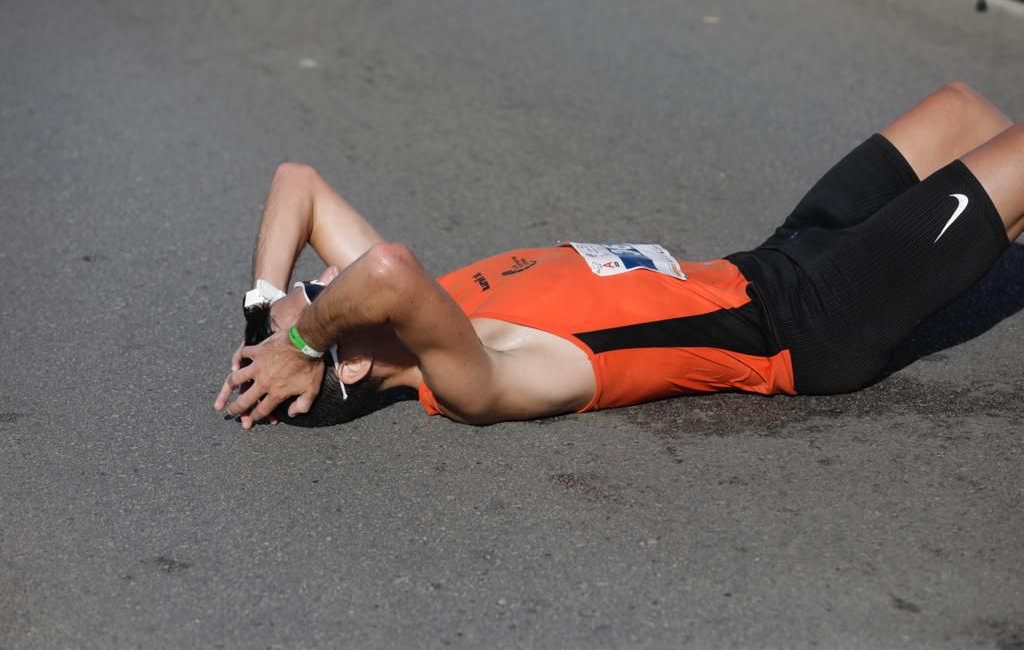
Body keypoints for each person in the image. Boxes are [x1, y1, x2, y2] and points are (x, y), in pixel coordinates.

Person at [214, 82, 1022, 429]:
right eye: (307, 295)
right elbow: (385, 270)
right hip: (811, 324)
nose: (312, 283)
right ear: (347, 358)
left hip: (774, 257)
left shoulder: (419, 311)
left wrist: (263, 306)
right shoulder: (468, 374)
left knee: (962, 111)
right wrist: (296, 341)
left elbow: (299, 183)